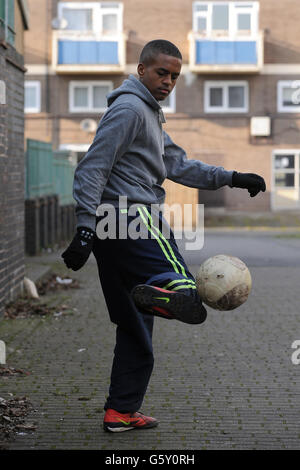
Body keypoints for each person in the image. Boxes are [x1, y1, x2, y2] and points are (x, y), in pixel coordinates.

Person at [62, 39, 266, 433]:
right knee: (185, 288)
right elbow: (92, 167)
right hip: (133, 217)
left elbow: (176, 164)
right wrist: (84, 226)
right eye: (161, 73)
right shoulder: (129, 109)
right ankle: (172, 294)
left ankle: (121, 411)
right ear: (141, 70)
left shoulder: (149, 114)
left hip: (111, 229)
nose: (168, 81)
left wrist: (232, 178)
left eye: (175, 75)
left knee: (134, 324)